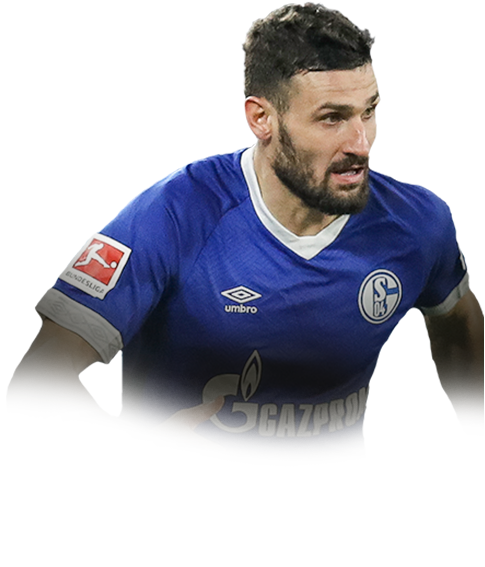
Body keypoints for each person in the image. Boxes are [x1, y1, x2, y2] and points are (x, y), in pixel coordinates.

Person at [7, 3, 483, 467]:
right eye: (332, 118)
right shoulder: (175, 215)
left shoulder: (416, 224)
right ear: (261, 119)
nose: (361, 143)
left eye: (369, 111)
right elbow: (35, 378)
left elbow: (462, 340)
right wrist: (125, 445)